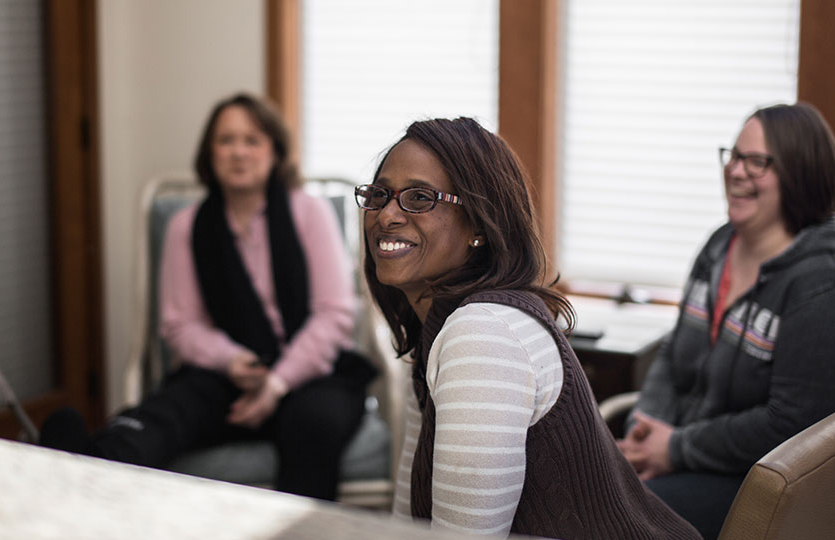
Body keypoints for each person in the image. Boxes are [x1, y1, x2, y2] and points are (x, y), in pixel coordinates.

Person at [357, 117, 700, 539]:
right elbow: (410, 523)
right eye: (379, 195)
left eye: (419, 197)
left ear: (479, 226)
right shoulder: (434, 333)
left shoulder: (481, 336)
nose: (387, 215)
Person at [41, 92, 373, 501]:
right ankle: (78, 470)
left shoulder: (310, 213)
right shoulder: (187, 226)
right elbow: (180, 325)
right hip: (225, 374)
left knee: (313, 424)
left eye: (252, 140)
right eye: (226, 140)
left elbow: (334, 316)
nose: (238, 152)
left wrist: (275, 384)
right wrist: (231, 361)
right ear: (209, 152)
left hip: (308, 375)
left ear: (275, 151)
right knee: (166, 413)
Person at [618, 102, 835, 539]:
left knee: (616, 516)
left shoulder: (818, 281)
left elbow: (787, 424)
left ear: (800, 172)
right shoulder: (719, 245)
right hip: (676, 452)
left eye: (756, 162)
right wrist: (643, 429)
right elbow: (671, 355)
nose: (736, 171)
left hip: (749, 480)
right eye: (733, 156)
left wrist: (674, 449)